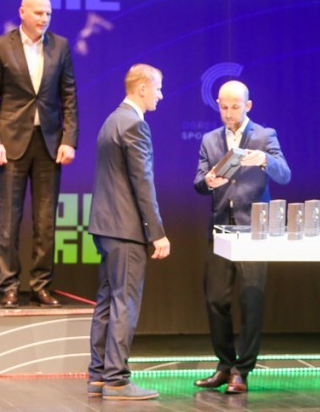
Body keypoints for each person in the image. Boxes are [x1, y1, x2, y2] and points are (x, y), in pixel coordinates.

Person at [0, 0, 78, 308]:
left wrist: (69, 139)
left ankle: (41, 285)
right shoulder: (1, 46)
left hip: (49, 143)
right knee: (10, 219)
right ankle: (9, 285)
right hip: (11, 143)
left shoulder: (60, 46)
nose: (44, 18)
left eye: (48, 13)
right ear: (22, 12)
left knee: (46, 221)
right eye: (38, 13)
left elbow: (69, 95)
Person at [193, 80, 291, 394]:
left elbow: (285, 174)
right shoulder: (210, 139)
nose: (229, 113)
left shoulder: (264, 136)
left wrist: (264, 159)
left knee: (251, 301)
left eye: (235, 107)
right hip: (221, 227)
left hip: (253, 231)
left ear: (247, 106)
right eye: (224, 107)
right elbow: (198, 182)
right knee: (216, 299)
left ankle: (242, 370)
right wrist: (208, 182)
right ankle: (224, 365)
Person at [86, 64, 170, 400]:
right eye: (158, 88)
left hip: (106, 227)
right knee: (124, 302)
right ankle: (117, 380)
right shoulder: (135, 124)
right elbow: (142, 182)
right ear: (143, 88)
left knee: (108, 301)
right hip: (125, 228)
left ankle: (99, 376)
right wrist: (157, 232)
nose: (161, 95)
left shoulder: (112, 120)